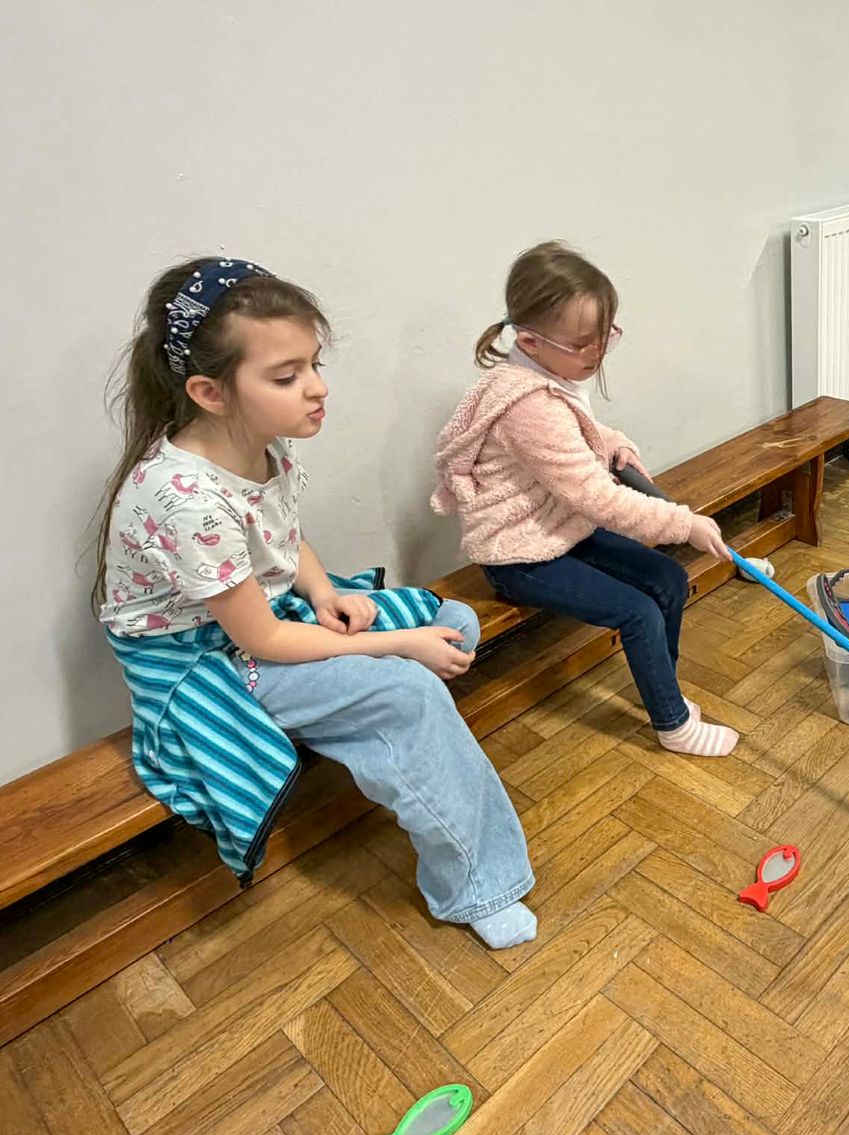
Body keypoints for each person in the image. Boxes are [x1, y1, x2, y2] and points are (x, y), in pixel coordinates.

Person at [95, 258, 536, 949]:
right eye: (286, 376)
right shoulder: (183, 499)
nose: (318, 388)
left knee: (452, 622)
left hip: (264, 621)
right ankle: (478, 885)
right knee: (410, 689)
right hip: (205, 664)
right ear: (210, 392)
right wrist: (394, 647)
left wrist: (325, 590)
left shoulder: (263, 448)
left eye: (314, 365)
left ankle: (364, 716)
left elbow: (283, 538)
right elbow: (262, 641)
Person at [433, 241, 738, 756]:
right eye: (582, 344)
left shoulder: (546, 376)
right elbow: (596, 497)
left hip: (559, 527)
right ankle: (673, 725)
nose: (596, 354)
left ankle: (664, 692)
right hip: (520, 554)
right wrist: (683, 523)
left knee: (667, 578)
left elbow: (576, 430)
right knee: (638, 611)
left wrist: (613, 442)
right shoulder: (528, 405)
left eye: (604, 337)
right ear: (530, 342)